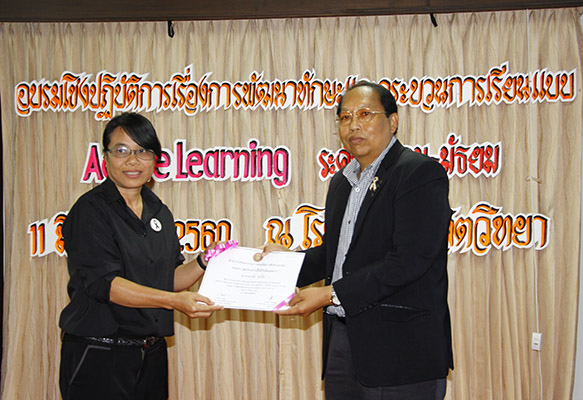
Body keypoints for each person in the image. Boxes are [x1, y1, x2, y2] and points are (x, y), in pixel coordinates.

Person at [257, 82, 453, 399]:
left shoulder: (418, 173)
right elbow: (335, 256)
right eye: (345, 117)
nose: (353, 125)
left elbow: (409, 260)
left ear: (392, 121)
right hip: (343, 343)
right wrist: (283, 264)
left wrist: (329, 294)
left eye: (365, 114)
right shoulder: (342, 182)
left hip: (402, 352)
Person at [58, 112, 223, 400]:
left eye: (143, 151)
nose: (133, 161)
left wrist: (204, 261)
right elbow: (106, 285)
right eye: (122, 151)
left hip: (151, 353)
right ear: (105, 157)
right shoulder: (90, 211)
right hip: (100, 353)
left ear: (155, 159)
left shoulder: (159, 211)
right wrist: (174, 302)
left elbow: (167, 279)